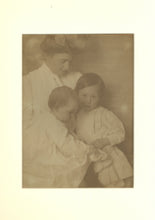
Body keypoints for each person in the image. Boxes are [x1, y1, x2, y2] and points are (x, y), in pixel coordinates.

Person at [23, 86, 94, 188]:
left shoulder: (46, 117)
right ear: (56, 108)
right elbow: (66, 145)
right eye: (70, 112)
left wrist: (76, 138)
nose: (72, 116)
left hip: (32, 153)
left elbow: (66, 134)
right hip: (43, 154)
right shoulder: (54, 124)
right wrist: (86, 149)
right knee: (69, 172)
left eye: (75, 112)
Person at [75, 73, 133, 187]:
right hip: (89, 156)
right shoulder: (77, 114)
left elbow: (120, 133)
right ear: (77, 94)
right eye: (84, 95)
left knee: (114, 182)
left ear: (100, 97)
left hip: (107, 155)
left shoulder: (105, 114)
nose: (88, 100)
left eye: (93, 97)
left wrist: (105, 141)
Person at [23, 35, 82, 129]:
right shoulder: (28, 82)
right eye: (63, 61)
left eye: (70, 62)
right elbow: (25, 123)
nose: (67, 67)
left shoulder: (77, 78)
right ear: (47, 57)